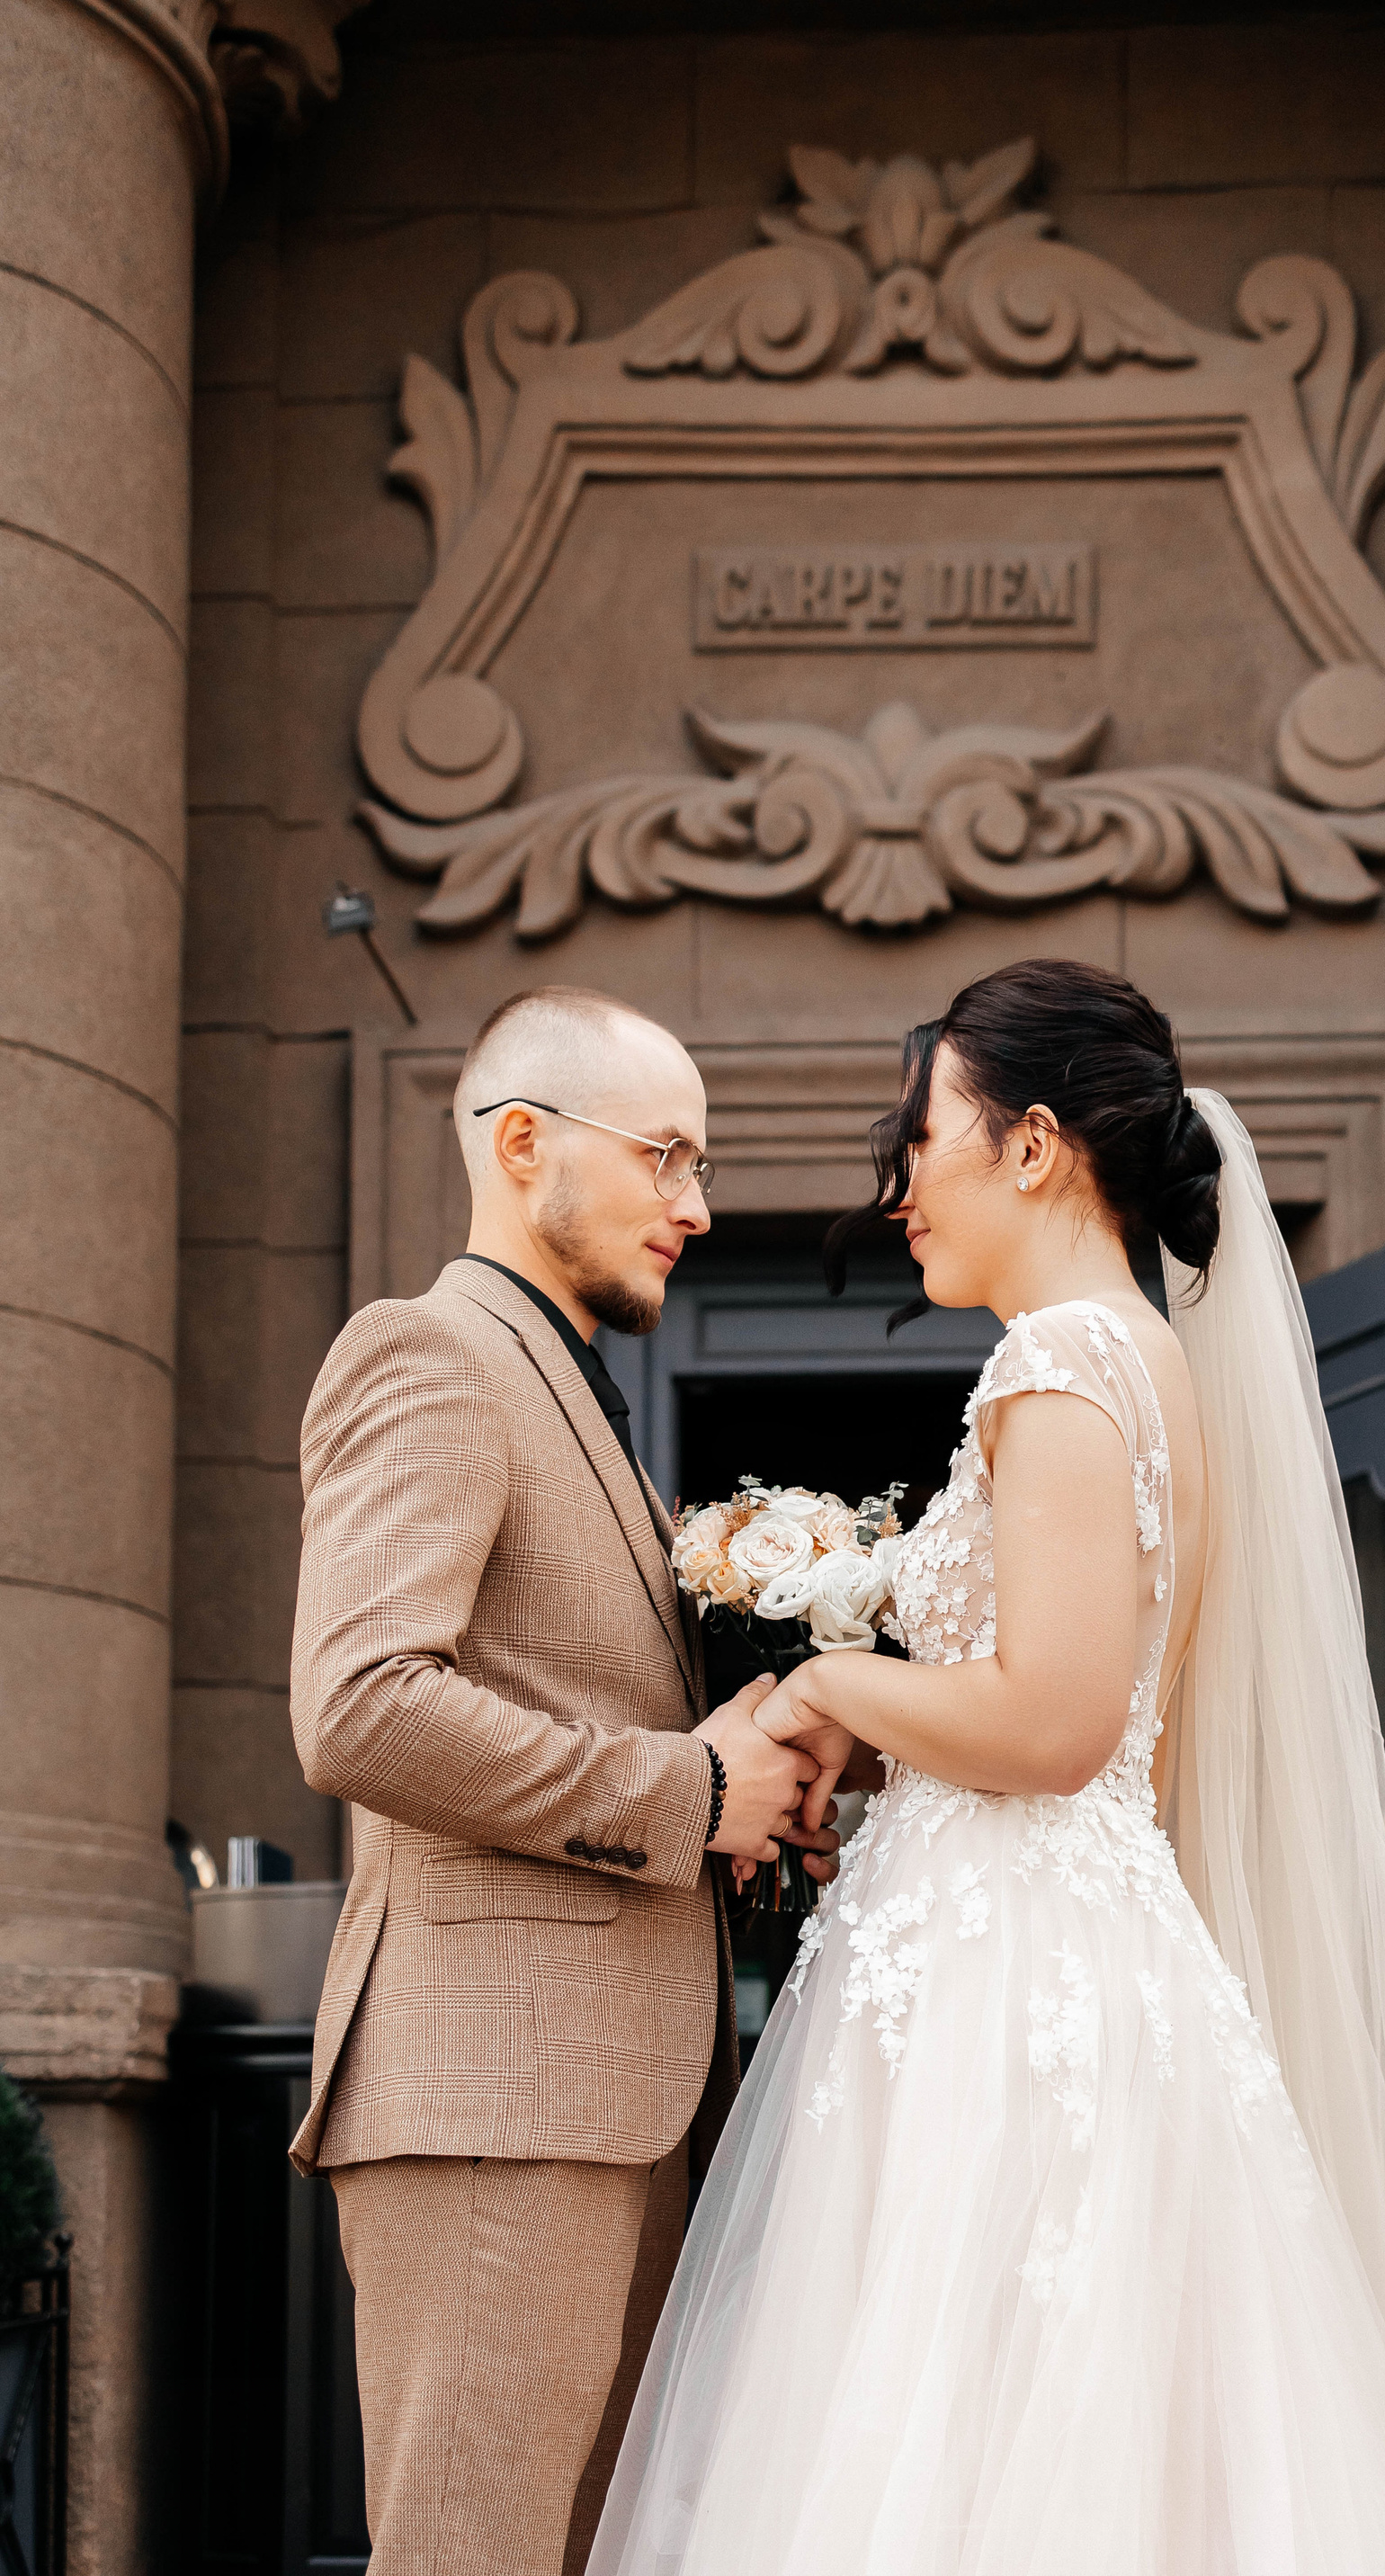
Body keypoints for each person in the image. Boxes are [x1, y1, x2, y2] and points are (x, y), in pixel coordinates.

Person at [590, 957, 1385, 2576]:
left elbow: (1058, 1725)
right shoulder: (1132, 1360)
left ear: (1030, 1145)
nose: (900, 1187)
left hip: (1012, 1992)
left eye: (922, 1135)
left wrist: (826, 1682)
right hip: (1044, 1946)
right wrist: (876, 1743)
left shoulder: (1060, 1365)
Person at [287, 986, 835, 2576]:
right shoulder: (430, 1356)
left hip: (615, 2106)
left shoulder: (566, 1386)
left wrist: (751, 1792)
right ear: (522, 1143)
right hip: (494, 2105)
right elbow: (360, 1709)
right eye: (666, 1155)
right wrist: (690, 1794)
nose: (697, 1205)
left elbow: (572, 1704)